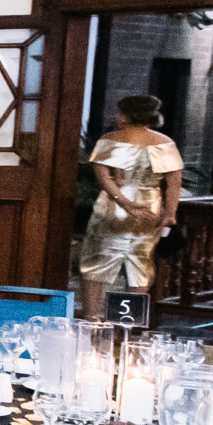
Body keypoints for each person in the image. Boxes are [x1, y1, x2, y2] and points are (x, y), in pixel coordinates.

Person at [80, 94, 183, 307]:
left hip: (113, 205)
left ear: (127, 115)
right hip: (149, 206)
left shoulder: (110, 139)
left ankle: (91, 316)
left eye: (119, 112)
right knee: (141, 265)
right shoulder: (165, 143)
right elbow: (174, 182)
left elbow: (103, 176)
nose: (117, 116)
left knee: (96, 263)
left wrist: (124, 202)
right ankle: (131, 320)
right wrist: (170, 213)